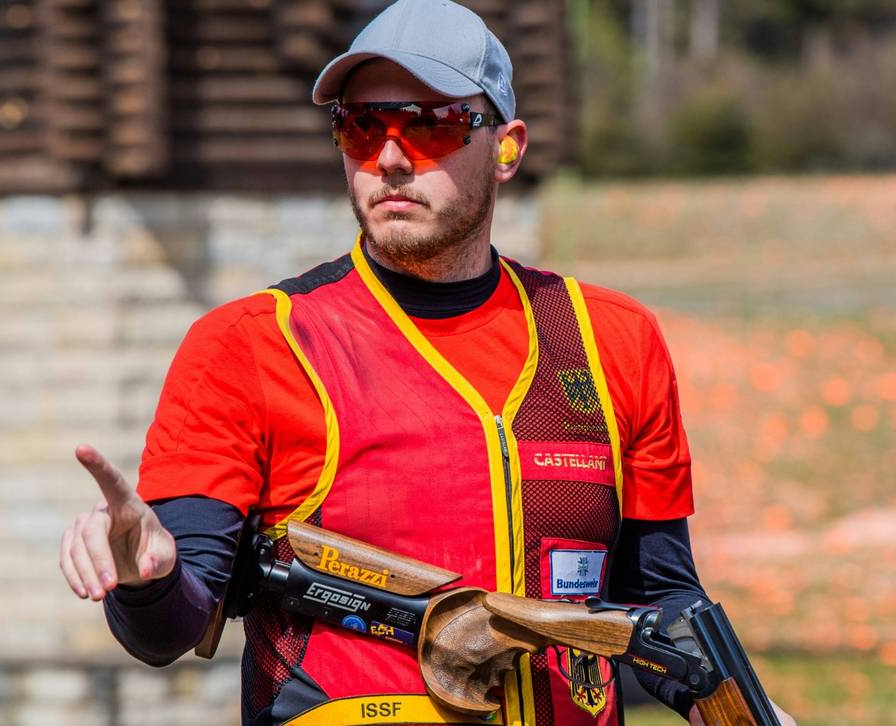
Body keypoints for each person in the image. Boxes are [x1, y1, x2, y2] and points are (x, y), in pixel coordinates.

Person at [59, 1, 796, 724]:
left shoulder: (614, 339)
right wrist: (146, 576)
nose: (388, 156)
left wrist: (740, 710)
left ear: (507, 148)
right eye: (360, 125)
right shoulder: (252, 343)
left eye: (431, 124)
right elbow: (169, 628)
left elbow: (661, 600)